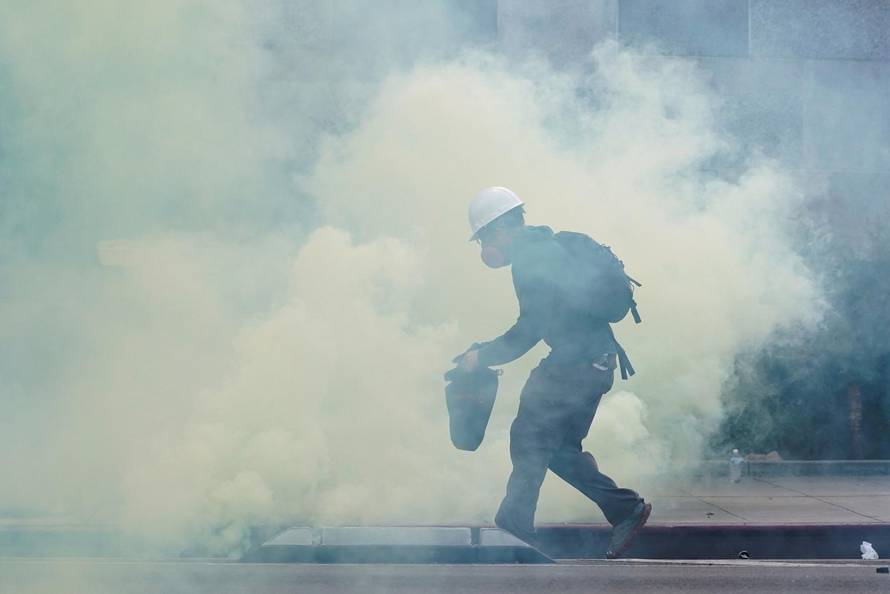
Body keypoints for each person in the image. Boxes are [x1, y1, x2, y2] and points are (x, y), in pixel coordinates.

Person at [458, 186, 650, 559]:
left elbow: (529, 329)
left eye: (483, 237)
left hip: (575, 365)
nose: (484, 246)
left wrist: (482, 358)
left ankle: (514, 525)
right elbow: (543, 320)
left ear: (500, 229)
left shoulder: (531, 259)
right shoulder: (546, 248)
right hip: (595, 362)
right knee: (559, 451)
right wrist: (484, 351)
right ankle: (625, 509)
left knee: (528, 438)